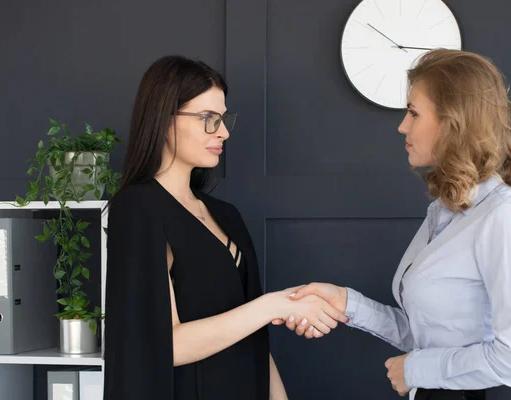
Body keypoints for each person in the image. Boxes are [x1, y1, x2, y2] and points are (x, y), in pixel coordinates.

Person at [282, 49, 511, 400]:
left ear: (453, 121)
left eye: (413, 113)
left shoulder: (503, 216)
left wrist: (416, 369)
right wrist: (347, 302)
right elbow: (425, 333)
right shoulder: (444, 212)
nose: (402, 125)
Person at [102, 55, 348, 400]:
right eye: (208, 119)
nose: (224, 131)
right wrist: (275, 305)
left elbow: (254, 340)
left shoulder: (225, 214)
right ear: (163, 120)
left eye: (222, 118)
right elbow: (163, 345)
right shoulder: (138, 207)